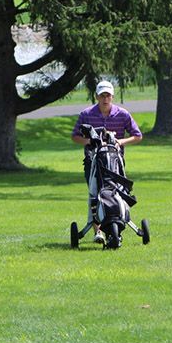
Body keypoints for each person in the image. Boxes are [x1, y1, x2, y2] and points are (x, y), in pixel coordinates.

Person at [71, 80, 142, 244]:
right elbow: (75, 136)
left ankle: (116, 223)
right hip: (92, 161)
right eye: (102, 95)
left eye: (108, 95)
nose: (105, 99)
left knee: (117, 192)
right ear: (96, 96)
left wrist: (120, 142)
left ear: (112, 96)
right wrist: (91, 142)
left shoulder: (122, 114)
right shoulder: (86, 114)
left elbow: (137, 135)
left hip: (115, 162)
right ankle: (98, 232)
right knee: (95, 194)